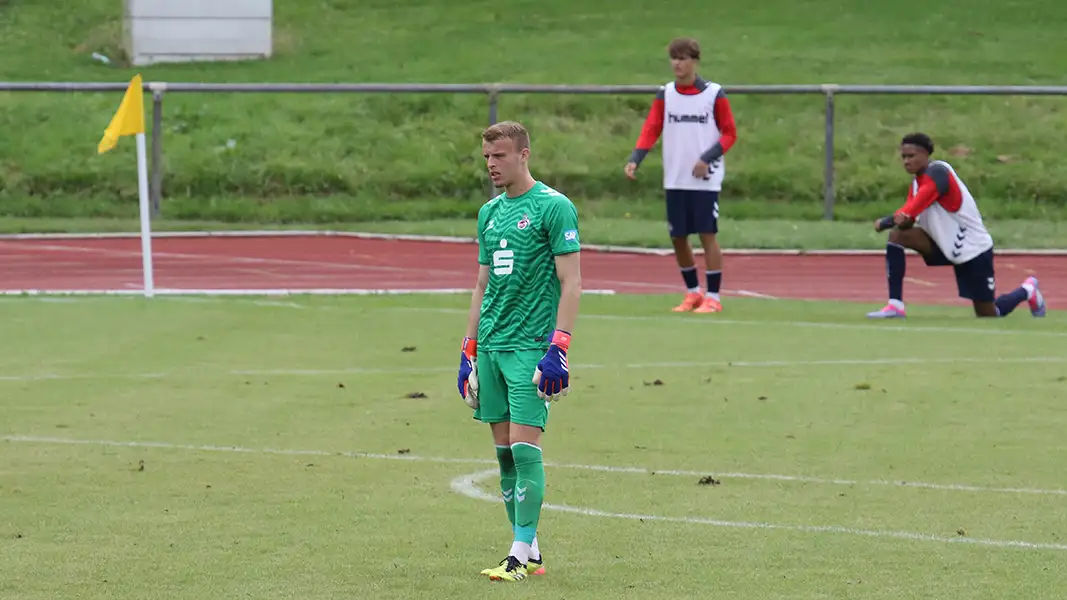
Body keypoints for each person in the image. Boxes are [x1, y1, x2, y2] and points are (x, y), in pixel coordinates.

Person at [456, 120, 583, 582]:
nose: (492, 164)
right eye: (487, 157)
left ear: (524, 154)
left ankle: (516, 554)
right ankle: (531, 550)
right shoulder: (488, 213)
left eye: (501, 156)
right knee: (504, 455)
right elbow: (482, 284)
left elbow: (572, 282)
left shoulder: (554, 207)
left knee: (525, 449)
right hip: (490, 346)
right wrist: (468, 350)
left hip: (530, 348)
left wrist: (559, 348)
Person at [867, 132, 1046, 319]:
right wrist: (901, 222)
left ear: (926, 155)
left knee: (988, 314)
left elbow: (912, 208)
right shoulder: (915, 184)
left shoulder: (938, 173)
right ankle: (895, 306)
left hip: (973, 249)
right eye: (903, 157)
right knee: (897, 236)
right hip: (944, 245)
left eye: (911, 156)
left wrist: (885, 222)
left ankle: (1027, 290)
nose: (906, 161)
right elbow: (907, 216)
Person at [625, 36, 738, 313]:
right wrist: (636, 158)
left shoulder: (714, 94)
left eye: (684, 58)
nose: (678, 64)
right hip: (675, 177)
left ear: (695, 61)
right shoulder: (666, 94)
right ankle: (692, 293)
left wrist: (706, 158)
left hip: (705, 179)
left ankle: (713, 297)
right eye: (674, 58)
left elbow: (729, 134)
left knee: (706, 234)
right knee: (678, 236)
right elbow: (652, 128)